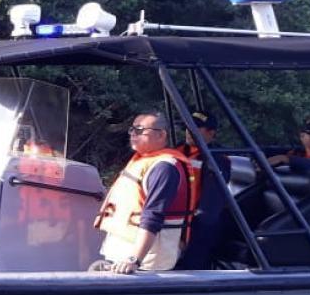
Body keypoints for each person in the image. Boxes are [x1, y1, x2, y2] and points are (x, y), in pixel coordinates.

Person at [92, 111, 194, 274]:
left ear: (161, 135)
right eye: (132, 129)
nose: (133, 134)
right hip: (120, 253)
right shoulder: (143, 161)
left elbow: (152, 216)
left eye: (139, 130)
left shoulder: (165, 168)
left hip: (146, 263)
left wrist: (134, 259)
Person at [175, 110, 232, 270]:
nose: (188, 132)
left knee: (193, 265)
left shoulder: (218, 160)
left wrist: (187, 235)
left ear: (211, 133)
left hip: (197, 226)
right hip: (174, 219)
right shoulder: (178, 150)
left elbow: (209, 208)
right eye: (187, 127)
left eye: (196, 127)